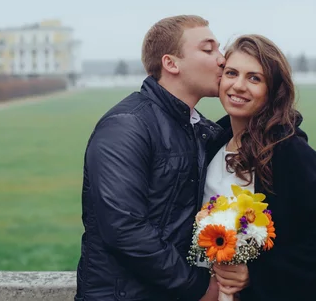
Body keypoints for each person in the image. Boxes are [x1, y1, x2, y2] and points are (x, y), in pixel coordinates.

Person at [75, 15, 249, 301]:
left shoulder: (196, 128)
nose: (222, 60)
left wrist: (272, 107)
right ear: (171, 63)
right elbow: (125, 229)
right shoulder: (127, 125)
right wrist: (198, 287)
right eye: (208, 50)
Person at [203, 34, 316, 300]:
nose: (238, 86)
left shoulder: (291, 154)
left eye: (254, 78)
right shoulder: (211, 144)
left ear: (273, 90)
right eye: (231, 73)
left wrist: (255, 273)